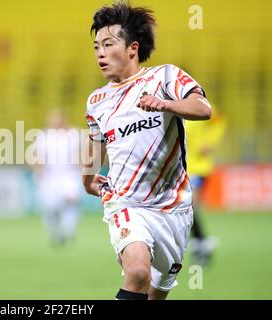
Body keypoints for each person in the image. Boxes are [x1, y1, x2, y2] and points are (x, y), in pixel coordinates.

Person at [82, 2, 212, 300]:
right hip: (125, 202)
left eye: (108, 44)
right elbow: (96, 143)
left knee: (155, 293)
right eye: (96, 47)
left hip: (174, 209)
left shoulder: (165, 78)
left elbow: (203, 109)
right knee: (138, 273)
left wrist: (167, 104)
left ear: (132, 48)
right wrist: (88, 180)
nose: (100, 53)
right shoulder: (96, 101)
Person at [32, 109, 82, 246]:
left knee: (71, 203)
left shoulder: (74, 134)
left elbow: (81, 154)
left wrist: (83, 172)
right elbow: (37, 156)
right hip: (50, 177)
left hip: (70, 175)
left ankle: (68, 232)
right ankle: (55, 233)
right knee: (50, 208)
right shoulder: (44, 136)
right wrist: (38, 172)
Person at [186, 106, 226, 266]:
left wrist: (209, 142)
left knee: (190, 204)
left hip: (198, 166)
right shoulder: (167, 104)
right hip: (179, 168)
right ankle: (200, 241)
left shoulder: (197, 102)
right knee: (184, 207)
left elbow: (219, 120)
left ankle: (200, 242)